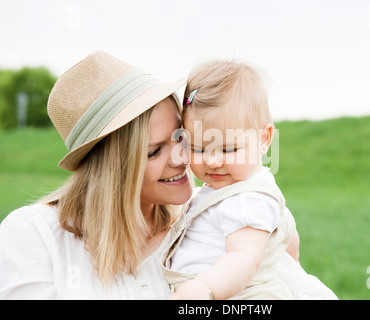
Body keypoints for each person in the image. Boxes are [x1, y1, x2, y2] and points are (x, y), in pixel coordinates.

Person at [0, 51, 193, 299]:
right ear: (110, 168)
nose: (184, 157)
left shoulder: (207, 216)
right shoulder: (34, 235)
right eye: (154, 152)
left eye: (181, 136)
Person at [162, 60, 337, 300]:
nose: (212, 161)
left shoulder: (246, 199)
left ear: (264, 139)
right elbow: (289, 239)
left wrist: (204, 288)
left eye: (228, 149)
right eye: (199, 149)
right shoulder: (247, 189)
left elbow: (242, 257)